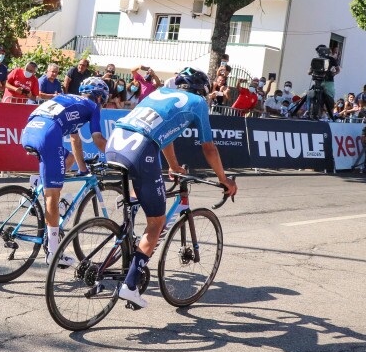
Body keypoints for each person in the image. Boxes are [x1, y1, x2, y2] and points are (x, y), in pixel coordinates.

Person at [106, 68, 237, 309]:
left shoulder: (160, 92)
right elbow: (209, 148)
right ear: (203, 91)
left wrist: (174, 165)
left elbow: (165, 135)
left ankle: (127, 233)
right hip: (140, 148)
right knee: (157, 222)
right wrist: (224, 179)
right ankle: (130, 285)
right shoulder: (198, 102)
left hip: (115, 140)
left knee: (140, 190)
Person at [21, 77, 110, 266]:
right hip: (47, 134)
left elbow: (75, 141)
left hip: (29, 131)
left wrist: (83, 170)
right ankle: (54, 253)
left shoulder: (70, 99)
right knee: (53, 195)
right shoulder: (92, 107)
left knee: (67, 159)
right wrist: (118, 154)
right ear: (100, 98)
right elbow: (98, 139)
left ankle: (33, 194)